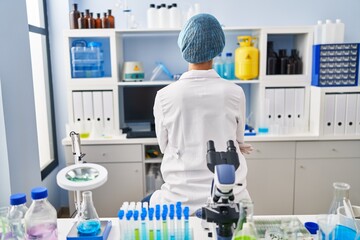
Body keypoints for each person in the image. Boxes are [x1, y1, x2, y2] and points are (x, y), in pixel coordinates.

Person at [149, 13, 252, 214]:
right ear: (218, 47)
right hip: (230, 201)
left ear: (183, 45)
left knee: (151, 200)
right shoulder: (235, 92)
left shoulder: (164, 96)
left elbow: (163, 147)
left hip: (179, 203)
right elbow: (238, 140)